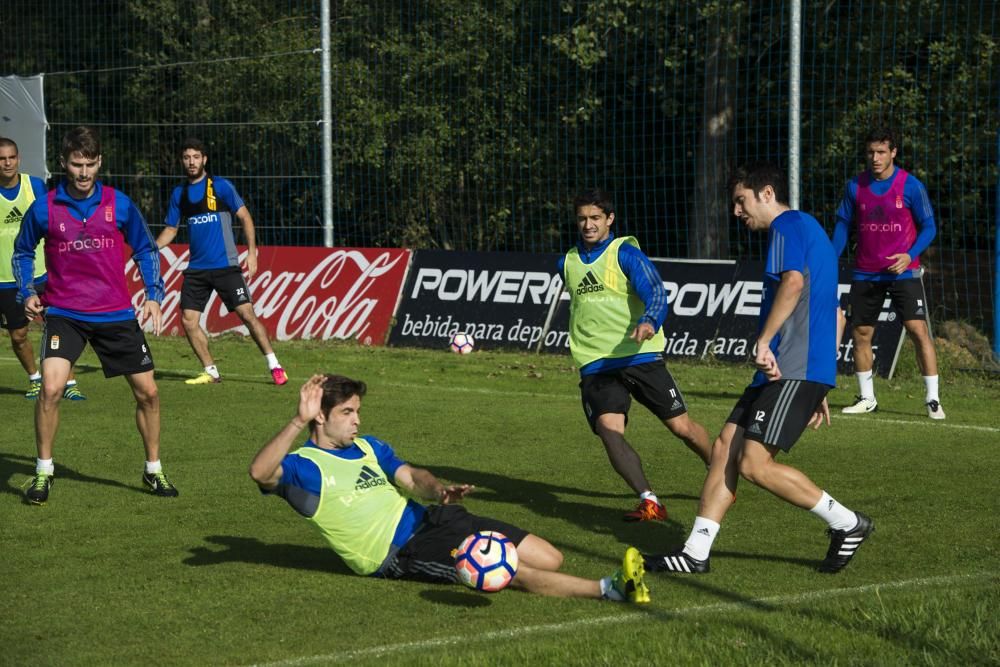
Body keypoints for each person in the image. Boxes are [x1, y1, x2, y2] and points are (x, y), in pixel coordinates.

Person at [644, 162, 873, 575]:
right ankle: (695, 552)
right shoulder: (809, 228)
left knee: (753, 464)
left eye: (741, 200)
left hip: (790, 366)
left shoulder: (786, 226)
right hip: (795, 368)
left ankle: (847, 522)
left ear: (766, 194)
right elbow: (836, 313)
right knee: (724, 448)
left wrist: (765, 341)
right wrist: (821, 383)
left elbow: (794, 285)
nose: (737, 211)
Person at [249, 374, 651, 602]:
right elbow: (260, 472)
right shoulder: (304, 468)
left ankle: (596, 586)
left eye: (358, 411)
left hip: (437, 518)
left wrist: (438, 490)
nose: (357, 420)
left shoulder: (369, 447)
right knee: (512, 570)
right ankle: (612, 588)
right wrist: (296, 421)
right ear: (320, 416)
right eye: (347, 412)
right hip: (401, 551)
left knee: (551, 557)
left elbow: (411, 476)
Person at [13, 126, 179, 504]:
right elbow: (23, 251)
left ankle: (153, 470)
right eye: (76, 164)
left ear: (99, 162)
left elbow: (146, 247)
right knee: (52, 389)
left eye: (90, 164)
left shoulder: (118, 203)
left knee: (149, 394)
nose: (84, 172)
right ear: (63, 164)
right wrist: (26, 291)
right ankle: (42, 472)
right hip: (64, 313)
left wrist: (154, 294)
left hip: (115, 313)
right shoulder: (46, 206)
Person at [559, 189, 711, 522]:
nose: (588, 225)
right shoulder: (567, 261)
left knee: (682, 428)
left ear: (609, 220)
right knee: (608, 430)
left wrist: (648, 320)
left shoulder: (625, 253)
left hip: (640, 356)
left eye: (595, 218)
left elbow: (655, 291)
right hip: (597, 365)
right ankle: (649, 500)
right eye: (582, 218)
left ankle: (719, 468)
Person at [155, 138, 286, 386]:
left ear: (204, 159)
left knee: (247, 314)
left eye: (196, 157)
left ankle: (275, 365)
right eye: (186, 157)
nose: (191, 162)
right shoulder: (179, 194)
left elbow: (245, 217)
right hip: (197, 270)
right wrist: (151, 247)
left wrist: (252, 252)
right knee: (188, 320)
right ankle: (211, 371)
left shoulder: (221, 187)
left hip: (226, 267)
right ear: (182, 161)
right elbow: (171, 230)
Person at [833, 127, 944, 419]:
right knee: (861, 333)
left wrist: (909, 255)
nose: (875, 157)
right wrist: (830, 258)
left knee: (918, 330)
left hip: (903, 273)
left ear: (893, 152)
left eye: (881, 152)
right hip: (865, 274)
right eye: (870, 152)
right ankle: (866, 397)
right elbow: (843, 226)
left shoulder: (911, 186)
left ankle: (933, 399)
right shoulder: (855, 187)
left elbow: (929, 227)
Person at [0, 137, 85, 400]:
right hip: (6, 279)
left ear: (19, 158)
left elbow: (56, 219)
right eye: (1, 159)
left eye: (11, 157)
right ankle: (35, 378)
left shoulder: (34, 186)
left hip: (44, 273)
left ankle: (69, 383)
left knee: (61, 327)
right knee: (18, 335)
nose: (7, 163)